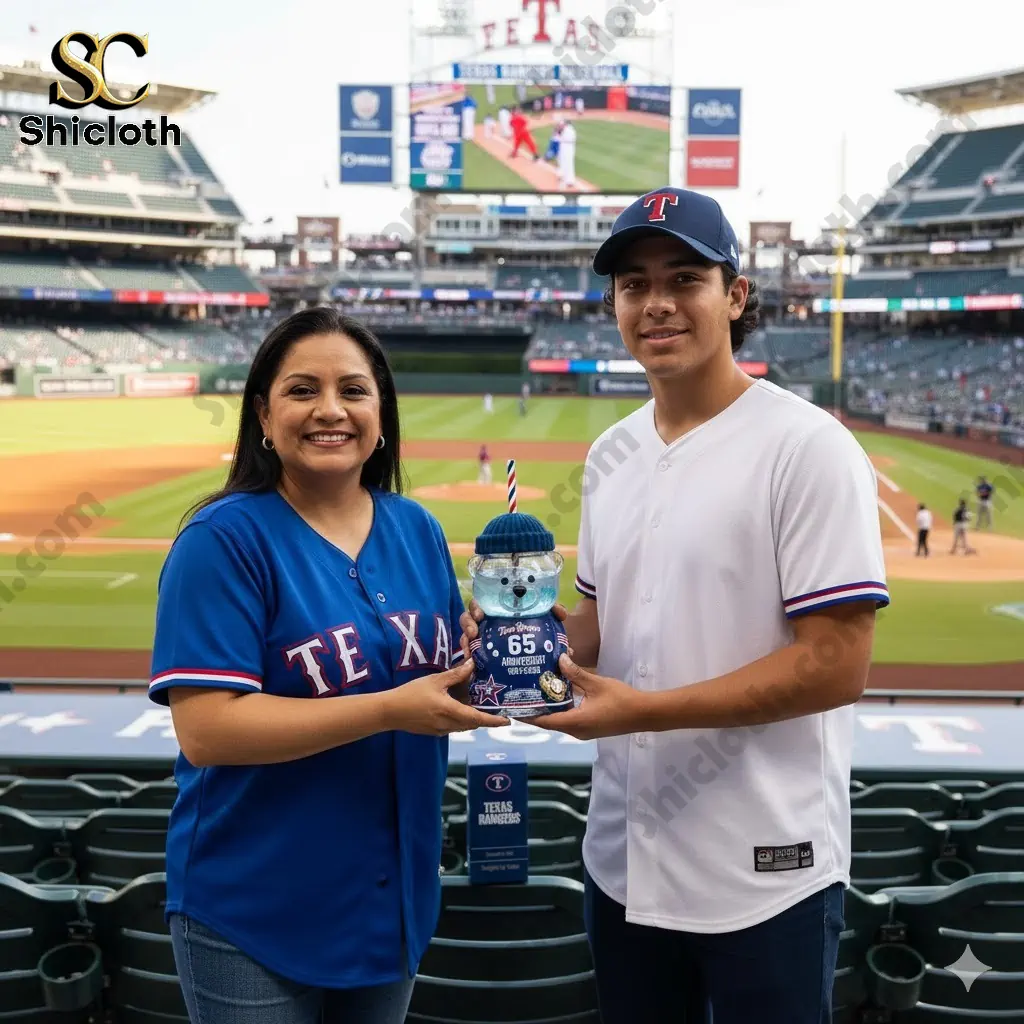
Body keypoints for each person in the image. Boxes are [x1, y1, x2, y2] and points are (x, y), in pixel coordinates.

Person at [461, 187, 889, 1024]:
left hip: (767, 871)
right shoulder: (609, 453)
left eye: (683, 278)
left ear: (734, 295)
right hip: (623, 861)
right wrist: (511, 637)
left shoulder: (807, 447)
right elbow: (594, 629)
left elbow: (837, 663)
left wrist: (642, 711)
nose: (654, 303)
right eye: (632, 284)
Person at [150, 307, 506, 1024]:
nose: (330, 410)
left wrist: (498, 661)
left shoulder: (418, 528)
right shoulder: (222, 540)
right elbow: (209, 731)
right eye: (302, 390)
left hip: (392, 902)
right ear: (264, 415)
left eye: (353, 390)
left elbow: (436, 678)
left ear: (381, 415)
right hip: (253, 910)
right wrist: (392, 708)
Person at [557, 119, 577, 190]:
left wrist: (560, 132)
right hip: (564, 147)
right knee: (562, 161)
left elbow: (568, 139)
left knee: (568, 163)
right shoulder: (566, 129)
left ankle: (569, 180)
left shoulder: (569, 130)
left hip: (568, 148)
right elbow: (558, 135)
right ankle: (562, 174)